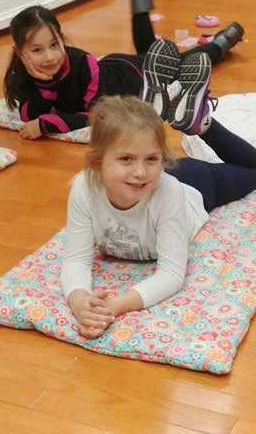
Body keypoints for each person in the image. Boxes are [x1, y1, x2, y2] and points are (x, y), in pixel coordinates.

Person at [61, 41, 256, 338]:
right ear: (96, 163)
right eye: (126, 158)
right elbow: (75, 259)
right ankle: (151, 115)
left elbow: (172, 274)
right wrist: (79, 302)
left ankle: (201, 123)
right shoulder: (83, 188)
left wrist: (115, 305)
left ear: (161, 158)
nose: (139, 172)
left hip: (196, 183)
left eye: (151, 158)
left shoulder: (169, 192)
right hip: (163, 176)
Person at [3, 0, 244, 139]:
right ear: (20, 53)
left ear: (62, 38)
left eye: (55, 44)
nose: (49, 56)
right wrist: (45, 86)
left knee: (179, 64)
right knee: (153, 53)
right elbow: (28, 114)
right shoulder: (23, 71)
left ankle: (220, 44)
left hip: (130, 77)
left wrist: (46, 124)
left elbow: (97, 116)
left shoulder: (81, 65)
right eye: (37, 50)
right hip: (119, 68)